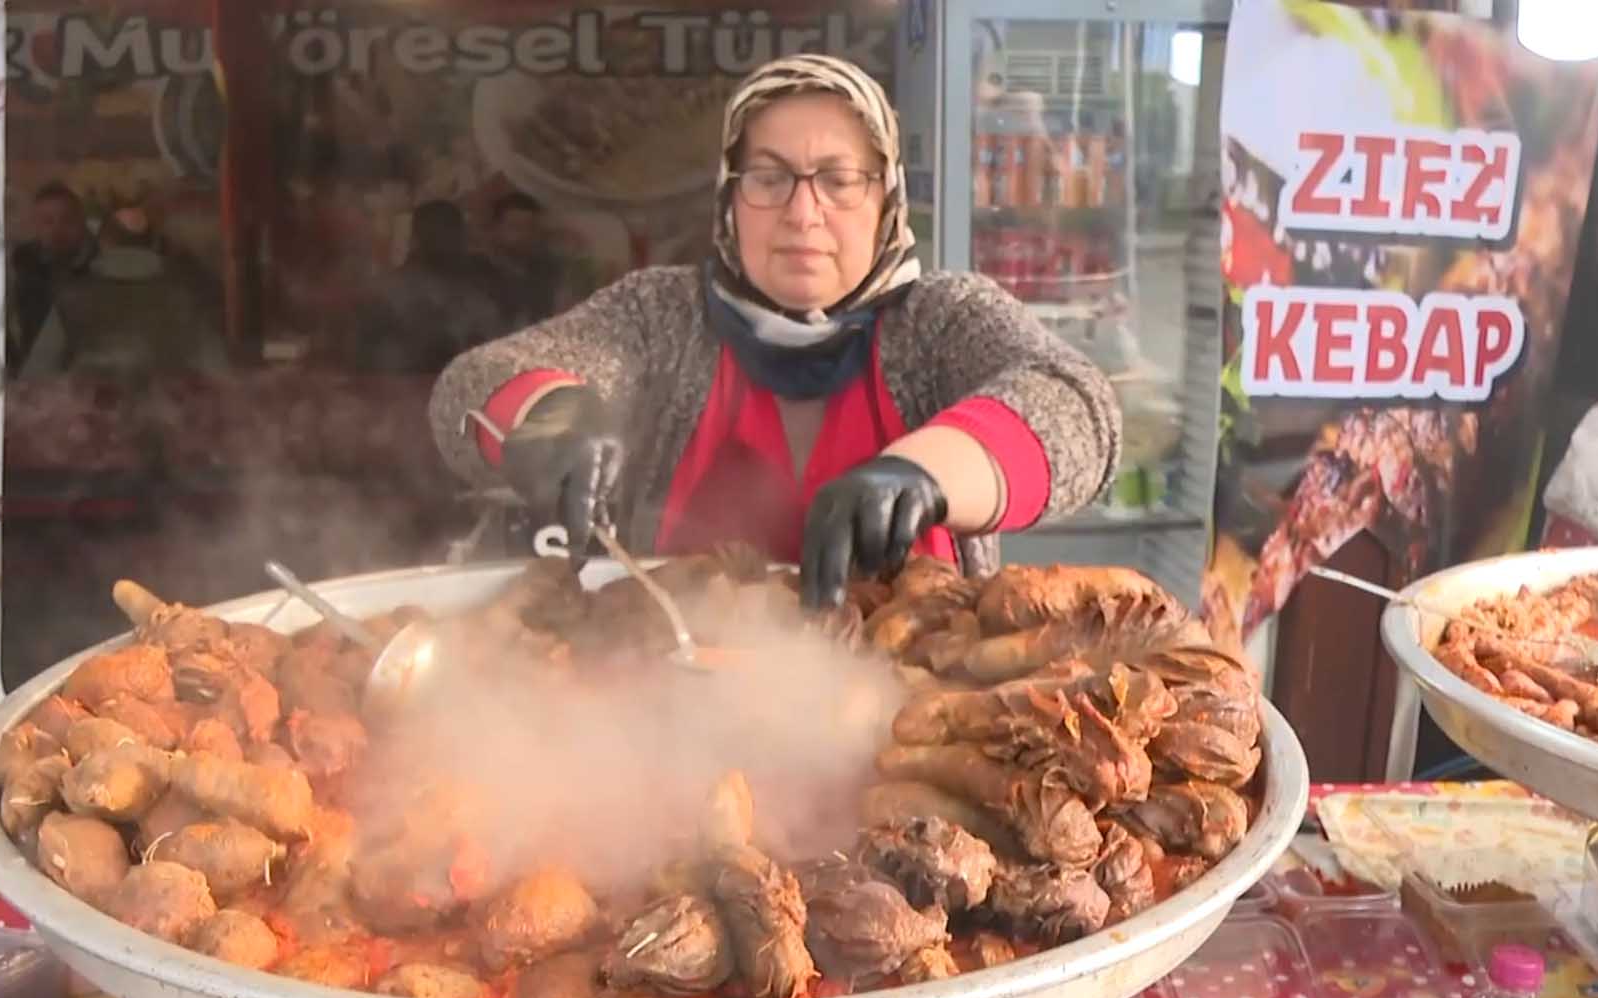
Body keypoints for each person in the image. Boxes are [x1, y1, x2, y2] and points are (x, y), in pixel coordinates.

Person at [427, 54, 1121, 608]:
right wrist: (548, 413)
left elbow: (1079, 408)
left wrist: (925, 473)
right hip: (667, 717)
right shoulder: (662, 316)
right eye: (768, 178)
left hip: (918, 731)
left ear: (887, 200)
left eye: (840, 180)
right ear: (731, 199)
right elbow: (476, 383)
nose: (802, 212)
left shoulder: (941, 321)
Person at [21, 208, 226, 379]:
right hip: (167, 418)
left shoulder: (70, 300)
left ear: (103, 242)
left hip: (91, 420)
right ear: (153, 243)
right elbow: (218, 374)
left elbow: (35, 377)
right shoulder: (185, 300)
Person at [357, 200, 509, 374]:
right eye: (435, 232)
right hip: (398, 388)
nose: (443, 241)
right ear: (417, 238)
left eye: (449, 232)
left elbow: (494, 350)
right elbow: (371, 360)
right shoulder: (389, 292)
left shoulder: (477, 290)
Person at [7, 181, 95, 370]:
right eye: (47, 221)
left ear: (82, 223)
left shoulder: (99, 267)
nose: (57, 229)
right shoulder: (22, 266)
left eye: (67, 221)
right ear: (36, 227)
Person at [485, 192, 562, 330]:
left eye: (531, 228)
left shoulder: (547, 272)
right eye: (515, 228)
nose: (524, 235)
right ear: (495, 230)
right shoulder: (478, 274)